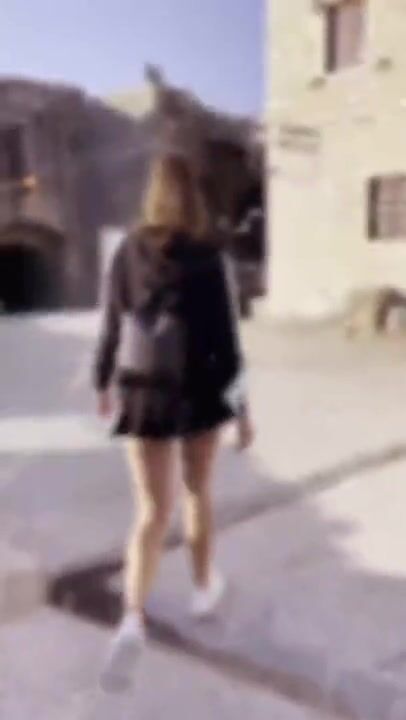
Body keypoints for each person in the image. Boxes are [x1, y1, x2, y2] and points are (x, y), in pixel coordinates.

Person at [93, 154, 254, 692]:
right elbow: (227, 344)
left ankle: (131, 618)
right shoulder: (209, 258)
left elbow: (112, 323)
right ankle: (203, 590)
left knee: (150, 511)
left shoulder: (127, 251)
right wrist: (243, 410)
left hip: (143, 393)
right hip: (200, 393)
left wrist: (102, 383)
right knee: (196, 494)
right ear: (193, 197)